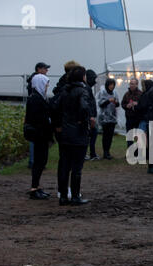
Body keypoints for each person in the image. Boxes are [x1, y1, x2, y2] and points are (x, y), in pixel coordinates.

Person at [52, 66, 91, 205]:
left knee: (64, 166)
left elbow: (55, 108)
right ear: (82, 77)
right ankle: (75, 196)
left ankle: (63, 196)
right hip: (78, 133)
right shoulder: (82, 91)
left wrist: (58, 125)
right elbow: (84, 108)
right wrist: (83, 121)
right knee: (76, 167)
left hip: (65, 133)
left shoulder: (64, 91)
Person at [24, 74, 53, 200]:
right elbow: (38, 118)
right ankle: (34, 188)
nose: (47, 86)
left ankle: (37, 186)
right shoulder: (36, 99)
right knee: (39, 161)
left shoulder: (37, 97)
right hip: (40, 134)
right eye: (45, 84)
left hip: (41, 134)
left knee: (41, 161)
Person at [26, 62, 50, 169]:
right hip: (36, 122)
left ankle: (35, 161)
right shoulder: (36, 85)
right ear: (39, 69)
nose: (47, 71)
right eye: (45, 68)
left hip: (35, 121)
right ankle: (34, 161)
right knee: (35, 141)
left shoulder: (35, 83)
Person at [97, 78, 120, 160]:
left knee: (110, 135)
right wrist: (108, 100)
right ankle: (105, 152)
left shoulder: (115, 92)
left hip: (112, 117)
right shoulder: (102, 92)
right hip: (104, 117)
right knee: (105, 135)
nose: (112, 86)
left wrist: (115, 102)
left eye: (113, 85)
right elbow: (100, 104)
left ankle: (108, 152)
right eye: (110, 85)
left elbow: (118, 104)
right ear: (107, 85)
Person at [121, 78, 143, 147]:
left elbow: (143, 105)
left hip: (137, 118)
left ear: (137, 85)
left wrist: (137, 104)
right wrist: (126, 106)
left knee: (137, 136)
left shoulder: (140, 94)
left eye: (133, 84)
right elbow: (122, 104)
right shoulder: (126, 94)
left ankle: (137, 152)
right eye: (131, 83)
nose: (132, 85)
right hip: (129, 118)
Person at [84, 69, 99, 161]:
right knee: (89, 135)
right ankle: (87, 153)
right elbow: (87, 104)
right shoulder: (86, 88)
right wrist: (91, 117)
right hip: (89, 117)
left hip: (90, 116)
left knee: (92, 134)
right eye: (93, 78)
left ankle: (91, 153)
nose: (95, 81)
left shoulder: (87, 87)